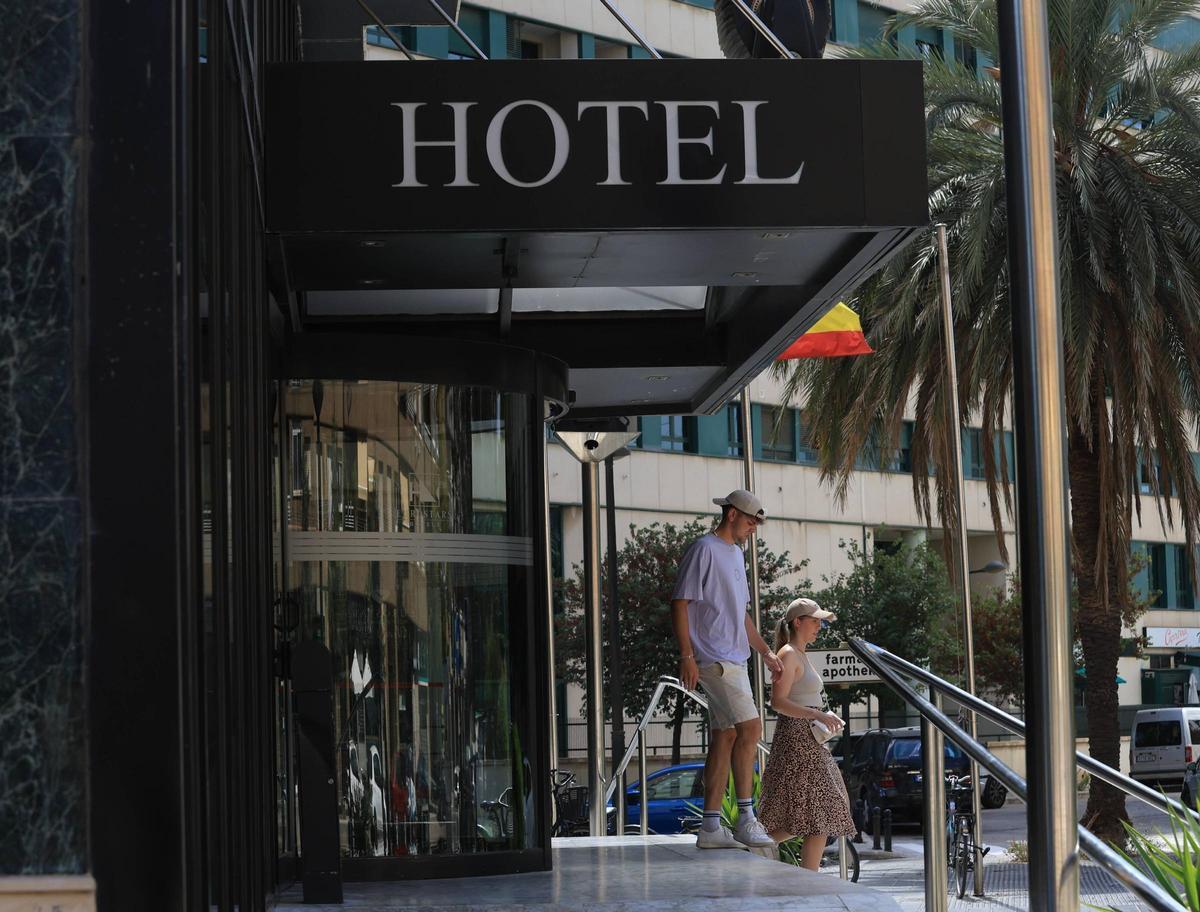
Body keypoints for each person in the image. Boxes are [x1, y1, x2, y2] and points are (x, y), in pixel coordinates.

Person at [671, 489, 783, 849]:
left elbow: (741, 615)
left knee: (726, 735)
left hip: (735, 658)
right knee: (750, 727)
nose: (753, 528)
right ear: (732, 514)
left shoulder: (735, 554)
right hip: (714, 660)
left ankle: (710, 828)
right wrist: (686, 655)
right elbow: (681, 602)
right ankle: (747, 819)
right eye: (750, 521)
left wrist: (765, 651)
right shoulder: (704, 549)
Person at [758, 597, 856, 870]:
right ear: (797, 622)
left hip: (809, 737)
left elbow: (805, 698)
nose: (819, 627)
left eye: (820, 622)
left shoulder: (800, 654)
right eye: (814, 621)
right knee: (821, 814)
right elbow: (778, 701)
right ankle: (762, 848)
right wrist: (817, 714)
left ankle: (759, 846)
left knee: (819, 816)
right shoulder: (788, 653)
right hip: (798, 738)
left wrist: (824, 713)